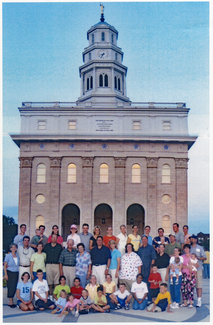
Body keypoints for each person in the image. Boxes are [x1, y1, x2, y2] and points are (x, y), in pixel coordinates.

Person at [190, 234, 207, 307]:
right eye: (191, 239)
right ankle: (190, 300)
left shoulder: (200, 248)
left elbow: (204, 257)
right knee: (190, 286)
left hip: (198, 269)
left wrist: (198, 258)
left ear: (196, 240)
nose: (192, 240)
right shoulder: (189, 248)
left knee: (198, 285)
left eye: (193, 239)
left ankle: (199, 300)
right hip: (190, 270)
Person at [180, 244, 199, 308]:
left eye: (187, 248)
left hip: (192, 274)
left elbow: (197, 265)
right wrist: (188, 266)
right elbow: (181, 266)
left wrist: (192, 265)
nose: (186, 249)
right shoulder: (182, 257)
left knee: (190, 288)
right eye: (185, 248)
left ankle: (191, 302)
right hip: (184, 274)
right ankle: (185, 302)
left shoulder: (193, 256)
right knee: (184, 288)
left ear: (189, 249)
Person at [4, 243, 19, 308]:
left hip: (16, 272)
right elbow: (5, 266)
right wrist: (6, 275)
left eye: (15, 247)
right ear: (10, 248)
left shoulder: (17, 255)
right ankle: (10, 301)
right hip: (10, 272)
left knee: (15, 286)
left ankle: (12, 300)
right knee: (10, 286)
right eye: (12, 247)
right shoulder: (8, 256)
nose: (14, 248)